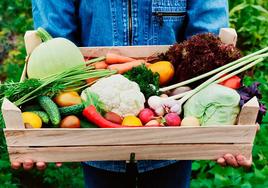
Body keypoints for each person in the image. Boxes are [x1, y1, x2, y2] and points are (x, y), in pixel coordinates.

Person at [12, 1, 253, 187]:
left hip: (174, 139)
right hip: (94, 141)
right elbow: (54, 41)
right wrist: (43, 139)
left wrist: (224, 131)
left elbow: (209, 42)